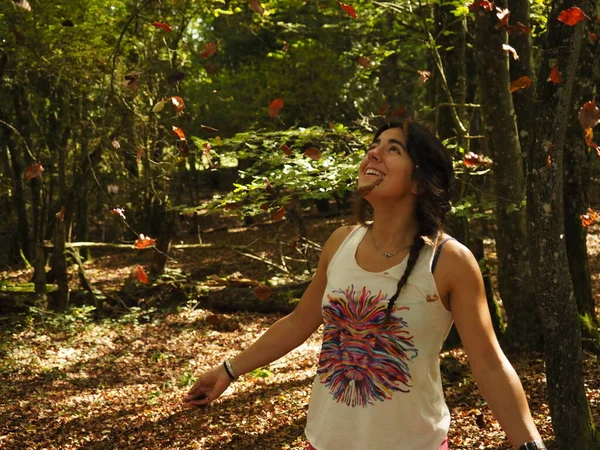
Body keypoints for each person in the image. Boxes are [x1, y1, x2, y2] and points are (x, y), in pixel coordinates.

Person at [183, 121, 547, 450]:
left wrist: (530, 445)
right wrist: (228, 371)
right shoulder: (340, 242)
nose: (373, 152)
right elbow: (298, 322)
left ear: (421, 183)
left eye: (394, 148)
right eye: (374, 144)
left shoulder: (449, 261)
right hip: (324, 442)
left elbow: (490, 365)